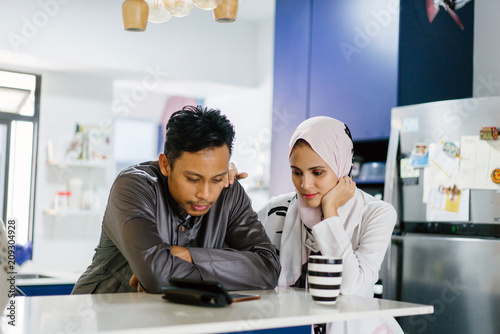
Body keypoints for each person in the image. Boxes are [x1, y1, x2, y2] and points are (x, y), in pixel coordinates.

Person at [72, 105, 280, 294]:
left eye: (216, 179)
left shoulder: (229, 192)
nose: (205, 194)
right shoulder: (134, 186)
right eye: (193, 179)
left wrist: (191, 256)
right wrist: (225, 268)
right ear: (165, 164)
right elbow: (157, 276)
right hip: (104, 318)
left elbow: (268, 268)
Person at [258, 116, 401, 333]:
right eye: (296, 172)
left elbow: (352, 286)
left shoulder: (377, 213)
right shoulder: (277, 209)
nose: (305, 185)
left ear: (341, 166)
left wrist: (330, 213)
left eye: (317, 172)